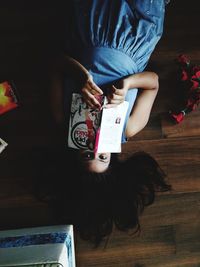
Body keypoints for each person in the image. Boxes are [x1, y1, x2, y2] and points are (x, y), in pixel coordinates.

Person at [45, 0, 171, 246]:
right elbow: (154, 82)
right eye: (101, 157)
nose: (95, 148)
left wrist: (81, 76)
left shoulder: (64, 120)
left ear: (73, 151)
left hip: (90, 26)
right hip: (134, 38)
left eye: (86, 155)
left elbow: (55, 66)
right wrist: (128, 85)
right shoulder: (129, 127)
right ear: (112, 155)